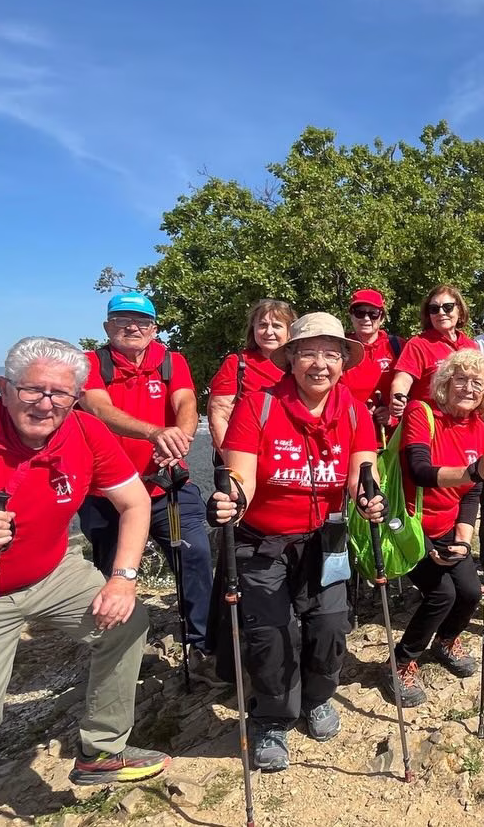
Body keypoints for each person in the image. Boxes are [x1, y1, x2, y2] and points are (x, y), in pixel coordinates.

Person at [0, 337, 169, 804]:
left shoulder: (83, 431)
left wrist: (123, 578)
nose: (45, 405)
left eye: (60, 394)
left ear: (75, 398)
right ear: (4, 388)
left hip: (52, 570)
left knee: (128, 622)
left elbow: (135, 502)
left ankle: (101, 754)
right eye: (32, 390)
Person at [211, 312, 383, 771]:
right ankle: (272, 715)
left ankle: (318, 697)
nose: (320, 363)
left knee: (329, 625)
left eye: (332, 353)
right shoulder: (258, 406)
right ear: (291, 359)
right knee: (271, 632)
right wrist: (232, 500)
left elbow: (363, 473)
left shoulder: (352, 409)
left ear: (345, 362)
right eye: (309, 353)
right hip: (261, 540)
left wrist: (368, 497)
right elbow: (241, 475)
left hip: (325, 538)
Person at [76, 293, 213, 659]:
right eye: (122, 320)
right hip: (106, 493)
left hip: (164, 485)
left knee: (194, 555)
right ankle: (122, 647)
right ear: (108, 327)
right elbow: (98, 408)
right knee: (110, 568)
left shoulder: (171, 361)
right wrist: (155, 433)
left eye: (141, 321)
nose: (132, 327)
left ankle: (201, 640)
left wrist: (179, 440)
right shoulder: (90, 363)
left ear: (154, 328)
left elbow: (186, 403)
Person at [390, 350, 484, 706]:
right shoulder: (421, 413)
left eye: (477, 383)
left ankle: (445, 641)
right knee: (442, 594)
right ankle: (402, 660)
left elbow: (470, 496)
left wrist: (462, 540)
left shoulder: (478, 428)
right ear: (445, 383)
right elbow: (419, 472)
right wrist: (475, 470)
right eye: (460, 379)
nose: (468, 388)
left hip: (447, 528)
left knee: (471, 591)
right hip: (408, 526)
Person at [207, 298, 297, 450]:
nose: (269, 332)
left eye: (277, 326)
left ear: (290, 331)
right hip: (246, 455)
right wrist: (234, 464)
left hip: (290, 456)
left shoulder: (300, 365)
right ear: (253, 329)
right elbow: (219, 417)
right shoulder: (237, 363)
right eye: (262, 325)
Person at [388, 285, 479, 417]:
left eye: (448, 307)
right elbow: (402, 380)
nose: (441, 313)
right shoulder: (418, 344)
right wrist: (398, 397)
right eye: (434, 309)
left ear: (459, 310)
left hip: (463, 423)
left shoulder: (471, 345)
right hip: (430, 423)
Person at [340, 288, 403, 414]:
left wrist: (392, 415)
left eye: (373, 313)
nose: (366, 318)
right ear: (351, 316)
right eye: (359, 313)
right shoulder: (340, 347)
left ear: (382, 318)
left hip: (388, 430)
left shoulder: (398, 346)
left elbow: (414, 391)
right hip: (350, 423)